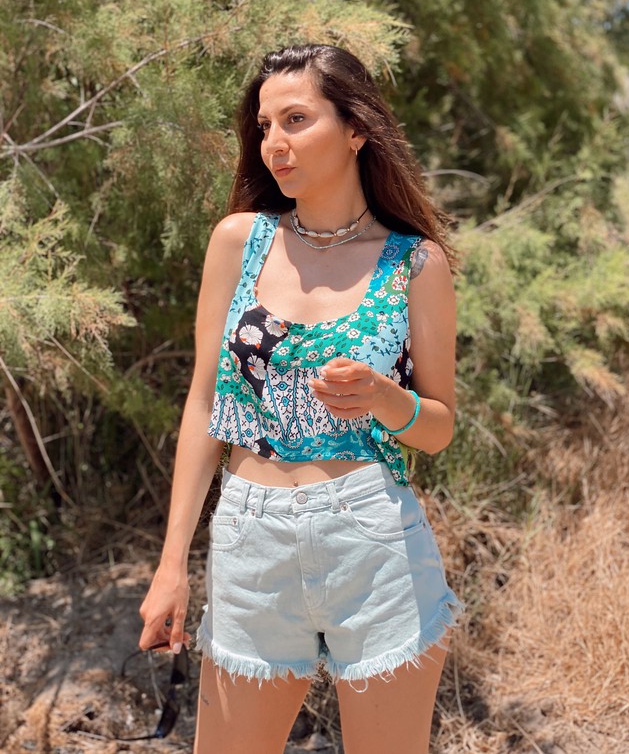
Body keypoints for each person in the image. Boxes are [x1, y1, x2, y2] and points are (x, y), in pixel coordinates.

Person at [139, 43, 463, 754]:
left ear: (356, 129)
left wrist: (385, 398)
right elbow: (204, 406)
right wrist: (171, 565)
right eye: (264, 127)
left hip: (372, 542)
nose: (274, 144)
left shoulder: (416, 263)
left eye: (295, 119)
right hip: (249, 538)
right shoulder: (238, 242)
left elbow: (438, 427)